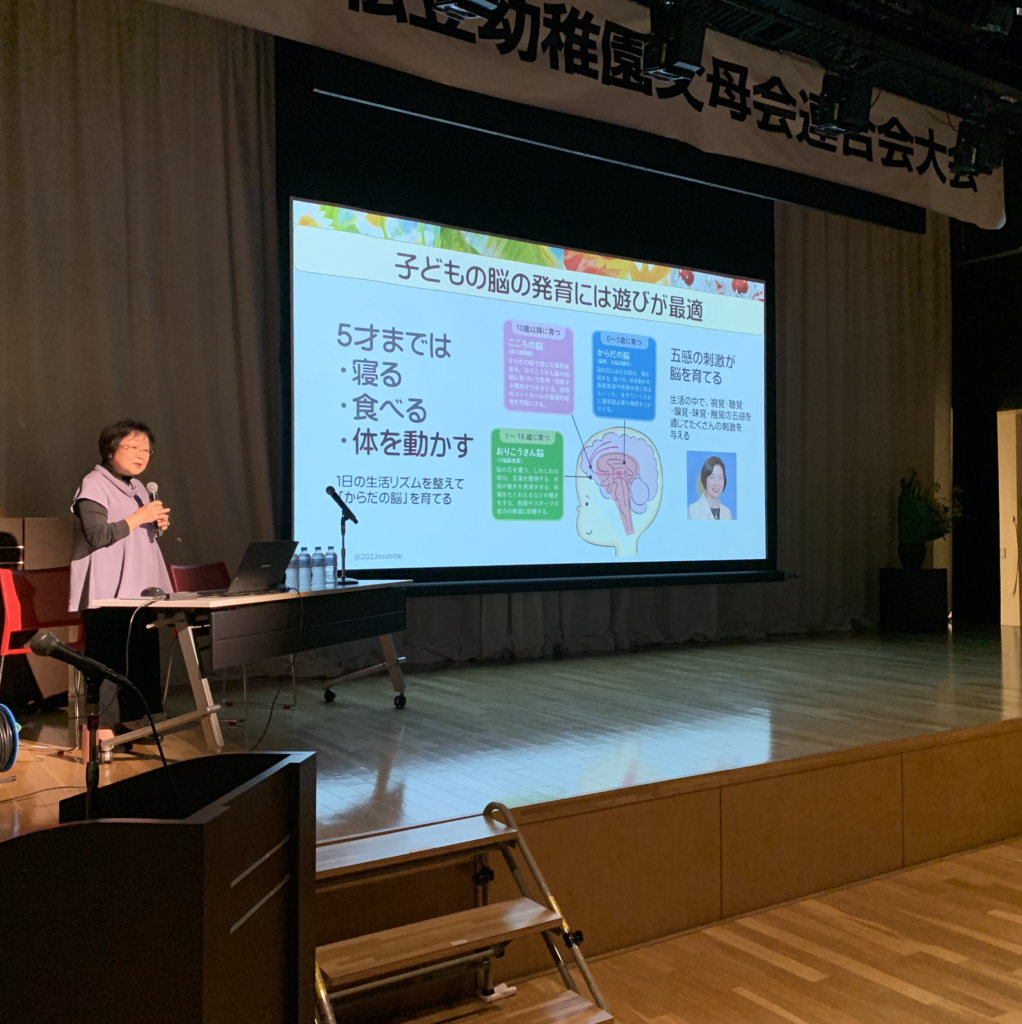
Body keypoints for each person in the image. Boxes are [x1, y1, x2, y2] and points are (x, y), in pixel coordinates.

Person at [69, 420, 172, 729]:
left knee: (142, 659)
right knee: (110, 661)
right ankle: (103, 729)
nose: (141, 455)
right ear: (110, 450)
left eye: (146, 450)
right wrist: (139, 517)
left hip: (141, 591)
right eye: (133, 447)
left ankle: (136, 723)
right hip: (108, 594)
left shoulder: (138, 487)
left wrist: (154, 524)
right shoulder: (94, 484)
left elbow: (132, 531)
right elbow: (97, 535)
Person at [688, 456, 733, 521]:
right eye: (712, 477)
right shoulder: (693, 510)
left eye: (720, 478)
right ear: (704, 479)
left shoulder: (727, 512)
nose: (716, 484)